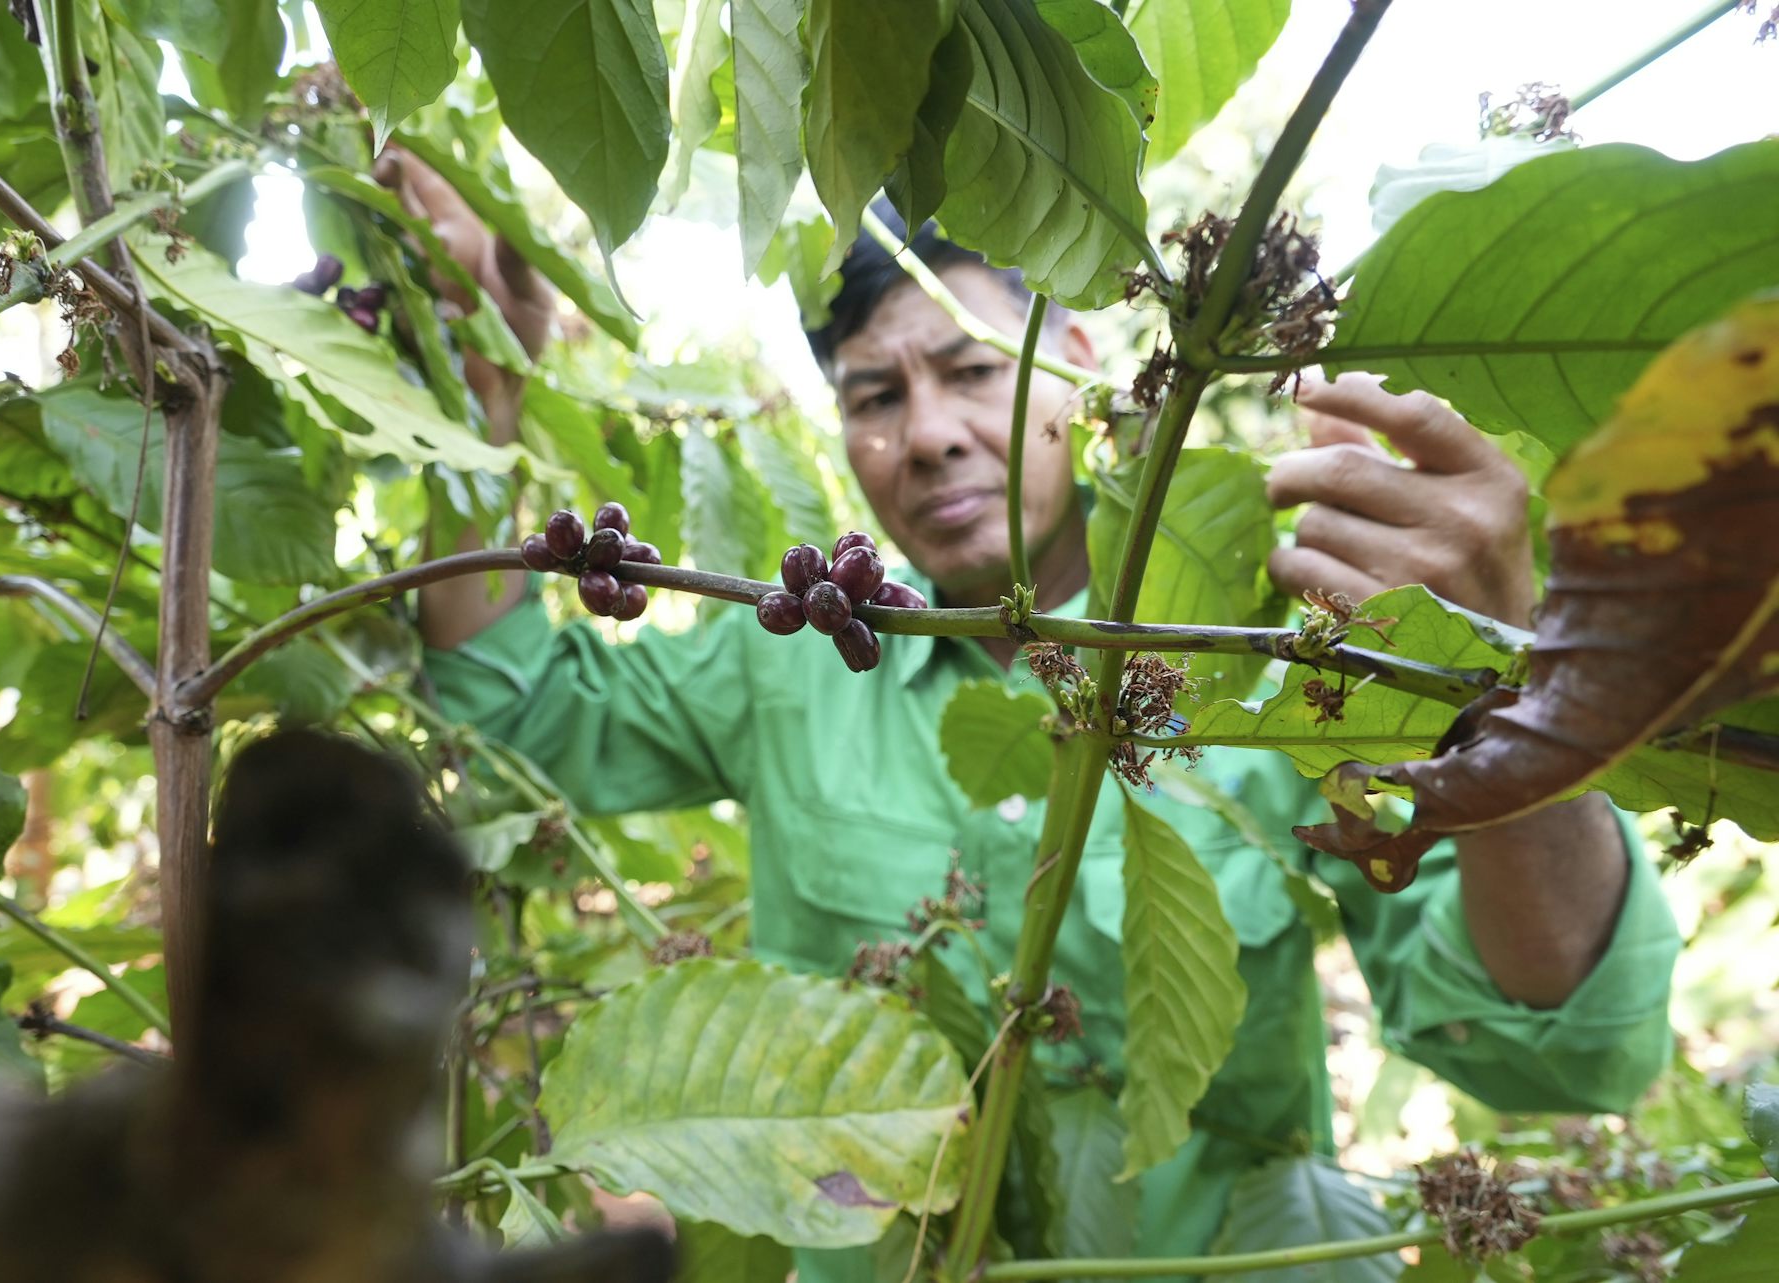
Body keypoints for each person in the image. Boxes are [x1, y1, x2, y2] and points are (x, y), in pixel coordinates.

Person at [379, 153, 1682, 1278]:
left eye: (968, 369)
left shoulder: (1284, 652)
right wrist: (473, 410)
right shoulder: (789, 667)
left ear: (1077, 364)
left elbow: (1565, 1056)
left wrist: (1501, 697)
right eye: (877, 396)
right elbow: (520, 710)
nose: (934, 433)